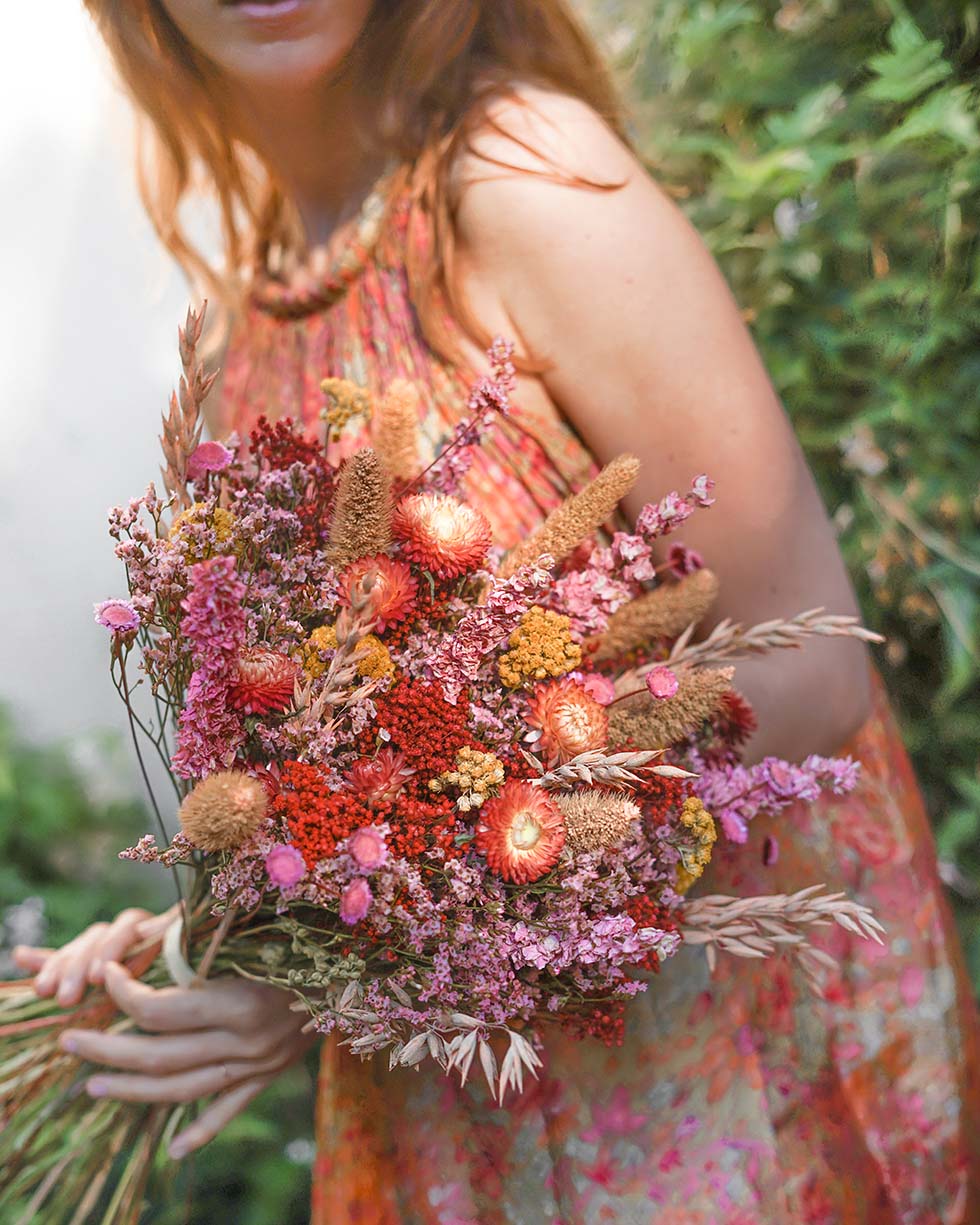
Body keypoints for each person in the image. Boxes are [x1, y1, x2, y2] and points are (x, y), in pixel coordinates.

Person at [14, 1, 980, 1220]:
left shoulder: (525, 182)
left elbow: (813, 672)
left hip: (704, 1094)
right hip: (461, 1107)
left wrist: (348, 957)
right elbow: (340, 765)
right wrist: (212, 947)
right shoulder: (261, 294)